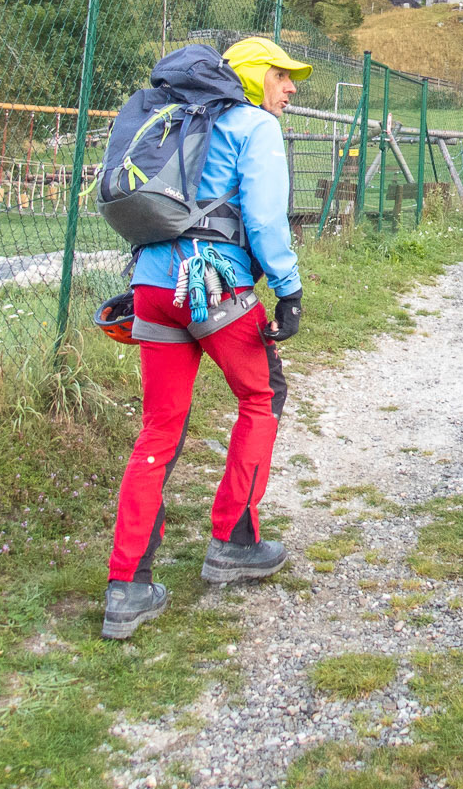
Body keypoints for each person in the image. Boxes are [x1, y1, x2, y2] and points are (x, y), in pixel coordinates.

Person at [102, 36, 309, 641]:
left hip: (150, 286)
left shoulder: (174, 122)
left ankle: (128, 587)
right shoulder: (253, 127)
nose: (290, 87)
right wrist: (289, 291)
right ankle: (233, 542)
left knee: (160, 425)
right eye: (281, 75)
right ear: (251, 77)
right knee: (261, 395)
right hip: (214, 287)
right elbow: (267, 221)